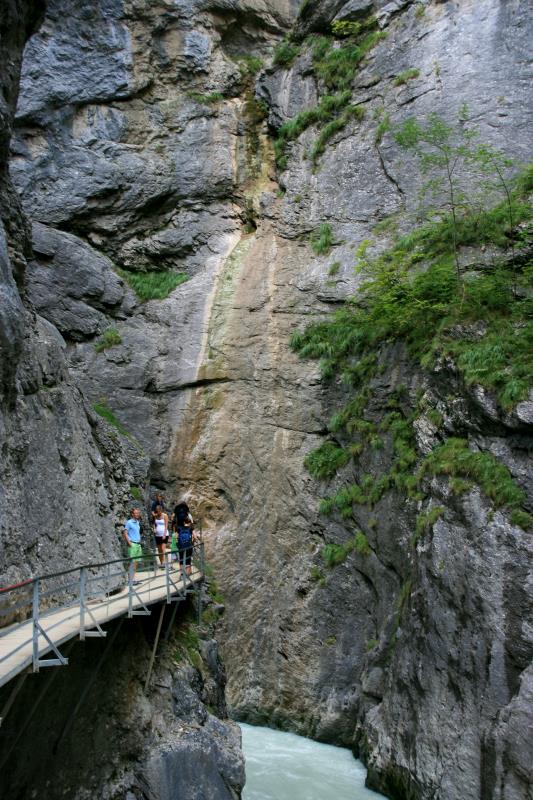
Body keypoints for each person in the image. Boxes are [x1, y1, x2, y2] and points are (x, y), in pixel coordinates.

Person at [173, 502, 197, 576]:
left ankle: (182, 573)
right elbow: (195, 536)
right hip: (189, 545)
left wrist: (177, 544)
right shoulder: (190, 527)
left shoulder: (178, 527)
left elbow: (175, 537)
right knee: (188, 558)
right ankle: (188, 573)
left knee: (181, 558)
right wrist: (193, 542)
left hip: (181, 544)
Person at [123, 508, 142, 580]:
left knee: (136, 563)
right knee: (132, 563)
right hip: (133, 544)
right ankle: (130, 579)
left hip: (138, 544)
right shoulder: (129, 522)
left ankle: (133, 579)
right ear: (132, 514)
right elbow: (125, 533)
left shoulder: (137, 522)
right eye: (136, 513)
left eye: (138, 513)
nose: (137, 514)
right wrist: (129, 543)